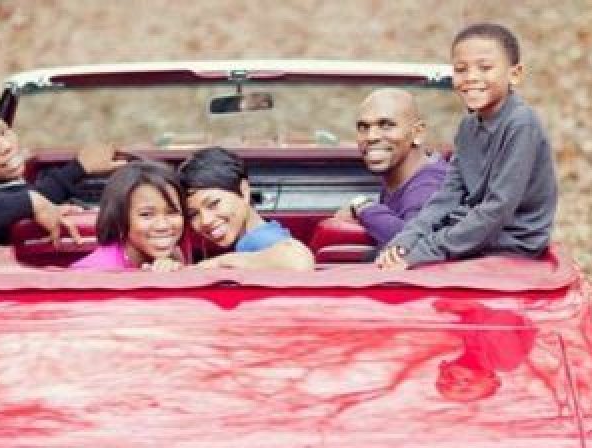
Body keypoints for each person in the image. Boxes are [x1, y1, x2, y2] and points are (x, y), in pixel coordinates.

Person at [376, 23, 557, 270]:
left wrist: (425, 251)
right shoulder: (468, 126)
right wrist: (407, 239)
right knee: (381, 258)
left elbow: (498, 208)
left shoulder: (521, 124)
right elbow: (449, 193)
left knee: (412, 271)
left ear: (514, 74)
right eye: (461, 69)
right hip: (473, 234)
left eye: (485, 68)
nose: (471, 77)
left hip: (511, 244)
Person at [0, 104, 126, 248]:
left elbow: (39, 193)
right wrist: (30, 202)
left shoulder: (8, 195)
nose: (6, 146)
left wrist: (80, 167)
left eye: (4, 132)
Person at [335, 88, 447, 255]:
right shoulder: (400, 175)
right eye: (363, 127)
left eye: (386, 125)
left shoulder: (429, 185)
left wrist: (364, 207)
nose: (371, 136)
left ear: (418, 133)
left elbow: (414, 244)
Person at [178, 147, 314, 271]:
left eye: (213, 204)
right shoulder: (261, 234)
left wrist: (220, 262)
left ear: (244, 191)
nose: (205, 220)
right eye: (193, 214)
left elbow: (299, 260)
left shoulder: (259, 240)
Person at [71, 160, 185, 271]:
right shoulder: (93, 271)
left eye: (172, 212)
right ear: (119, 219)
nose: (162, 225)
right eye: (146, 214)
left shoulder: (173, 255)